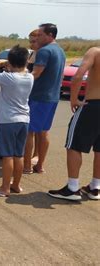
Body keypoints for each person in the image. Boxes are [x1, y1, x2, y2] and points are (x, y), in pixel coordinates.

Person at [48, 47, 100, 201]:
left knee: (73, 145)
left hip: (93, 105)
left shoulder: (95, 52)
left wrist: (74, 99)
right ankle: (95, 186)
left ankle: (72, 188)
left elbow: (77, 77)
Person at [0, 45, 34, 197]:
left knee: (7, 156)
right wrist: (10, 66)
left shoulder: (8, 77)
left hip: (8, 120)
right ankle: (16, 185)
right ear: (25, 61)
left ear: (11, 61)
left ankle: (4, 188)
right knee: (19, 155)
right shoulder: (29, 77)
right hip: (24, 120)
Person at [23, 23, 66, 174]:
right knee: (44, 131)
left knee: (29, 131)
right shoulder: (60, 51)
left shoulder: (44, 51)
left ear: (50, 35)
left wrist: (18, 79)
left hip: (39, 97)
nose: (37, 37)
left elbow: (36, 74)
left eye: (40, 34)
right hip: (52, 97)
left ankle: (27, 166)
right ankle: (40, 165)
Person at [27, 29, 40, 164]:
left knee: (36, 129)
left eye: (33, 41)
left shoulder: (41, 55)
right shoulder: (33, 54)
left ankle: (36, 155)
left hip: (37, 95)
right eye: (30, 41)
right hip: (30, 93)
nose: (31, 44)